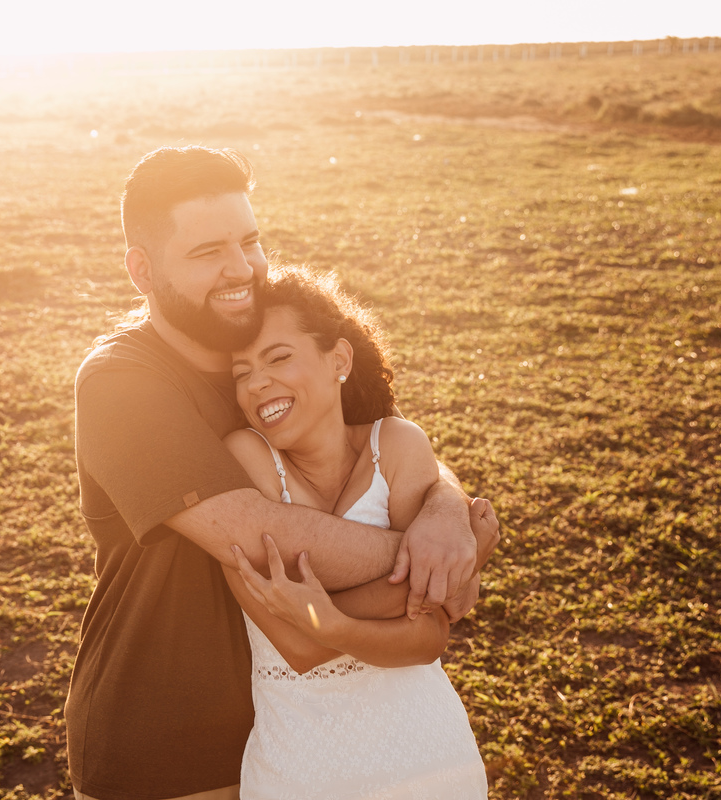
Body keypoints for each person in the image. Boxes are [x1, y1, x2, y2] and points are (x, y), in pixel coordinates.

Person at [68, 145, 499, 800]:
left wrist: (443, 509)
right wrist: (433, 558)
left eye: (250, 240)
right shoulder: (120, 384)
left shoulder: (281, 342)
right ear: (142, 270)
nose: (241, 268)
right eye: (208, 251)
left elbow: (388, 453)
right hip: (171, 746)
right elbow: (264, 535)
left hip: (303, 740)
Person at [223, 266, 491, 798]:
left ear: (339, 360)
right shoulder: (245, 458)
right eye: (241, 371)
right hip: (300, 770)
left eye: (278, 358)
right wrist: (428, 576)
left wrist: (328, 621)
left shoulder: (397, 446)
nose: (256, 383)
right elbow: (297, 648)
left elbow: (431, 635)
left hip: (430, 759)